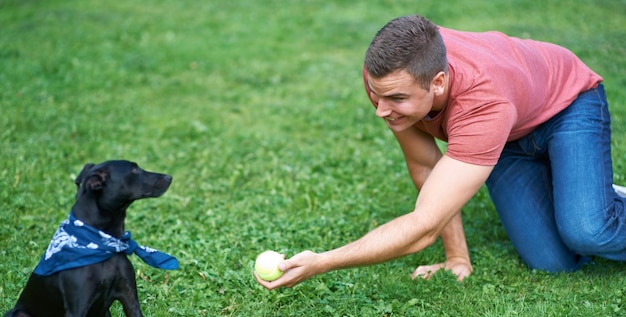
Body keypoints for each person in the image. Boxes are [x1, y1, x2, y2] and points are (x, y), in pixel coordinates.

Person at [255, 14, 626, 290]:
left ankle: (598, 200)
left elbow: (422, 228)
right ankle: (579, 190)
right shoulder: (386, 79)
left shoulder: (482, 102)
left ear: (438, 83)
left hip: (567, 105)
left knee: (587, 230)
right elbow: (426, 167)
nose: (381, 111)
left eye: (396, 99)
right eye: (376, 94)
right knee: (552, 263)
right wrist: (457, 258)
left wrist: (322, 261)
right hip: (506, 137)